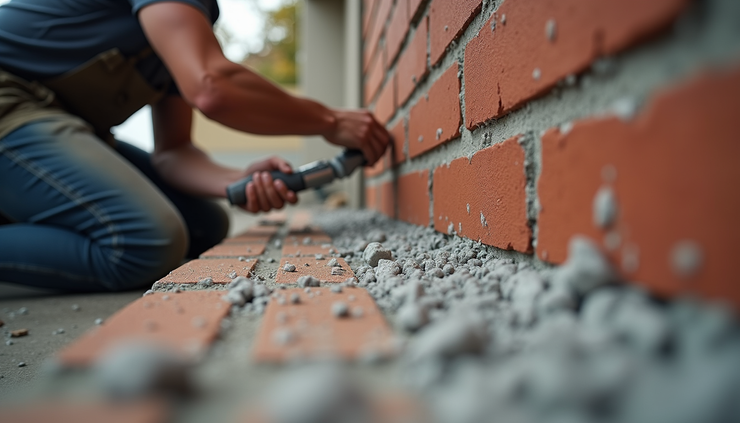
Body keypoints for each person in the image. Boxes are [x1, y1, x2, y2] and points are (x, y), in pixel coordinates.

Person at [0, 0, 390, 292]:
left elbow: (174, 152)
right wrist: (331, 121)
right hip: (9, 103)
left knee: (205, 224)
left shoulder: (186, 20)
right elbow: (211, 88)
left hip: (65, 123)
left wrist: (238, 179)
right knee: (144, 240)